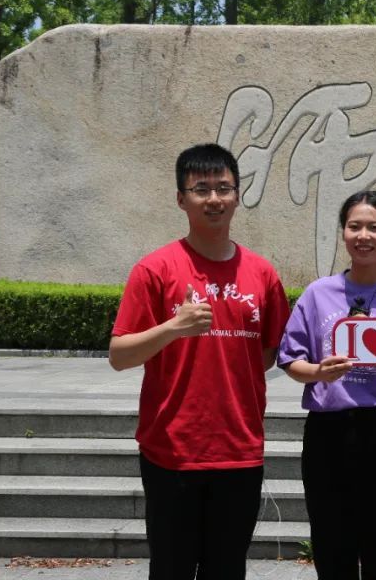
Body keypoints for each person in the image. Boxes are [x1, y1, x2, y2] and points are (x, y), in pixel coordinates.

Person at [109, 143, 290, 580]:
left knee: (226, 569)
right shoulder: (155, 270)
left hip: (239, 450)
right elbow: (120, 355)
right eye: (201, 189)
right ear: (181, 199)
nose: (214, 199)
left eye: (223, 188)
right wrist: (174, 328)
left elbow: (268, 353)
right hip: (172, 451)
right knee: (171, 568)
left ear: (238, 195)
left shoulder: (262, 274)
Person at [278, 190, 376, 580]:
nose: (364, 236)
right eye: (355, 226)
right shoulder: (318, 294)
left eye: (374, 227)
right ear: (343, 233)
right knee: (332, 545)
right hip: (328, 433)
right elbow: (290, 360)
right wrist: (319, 372)